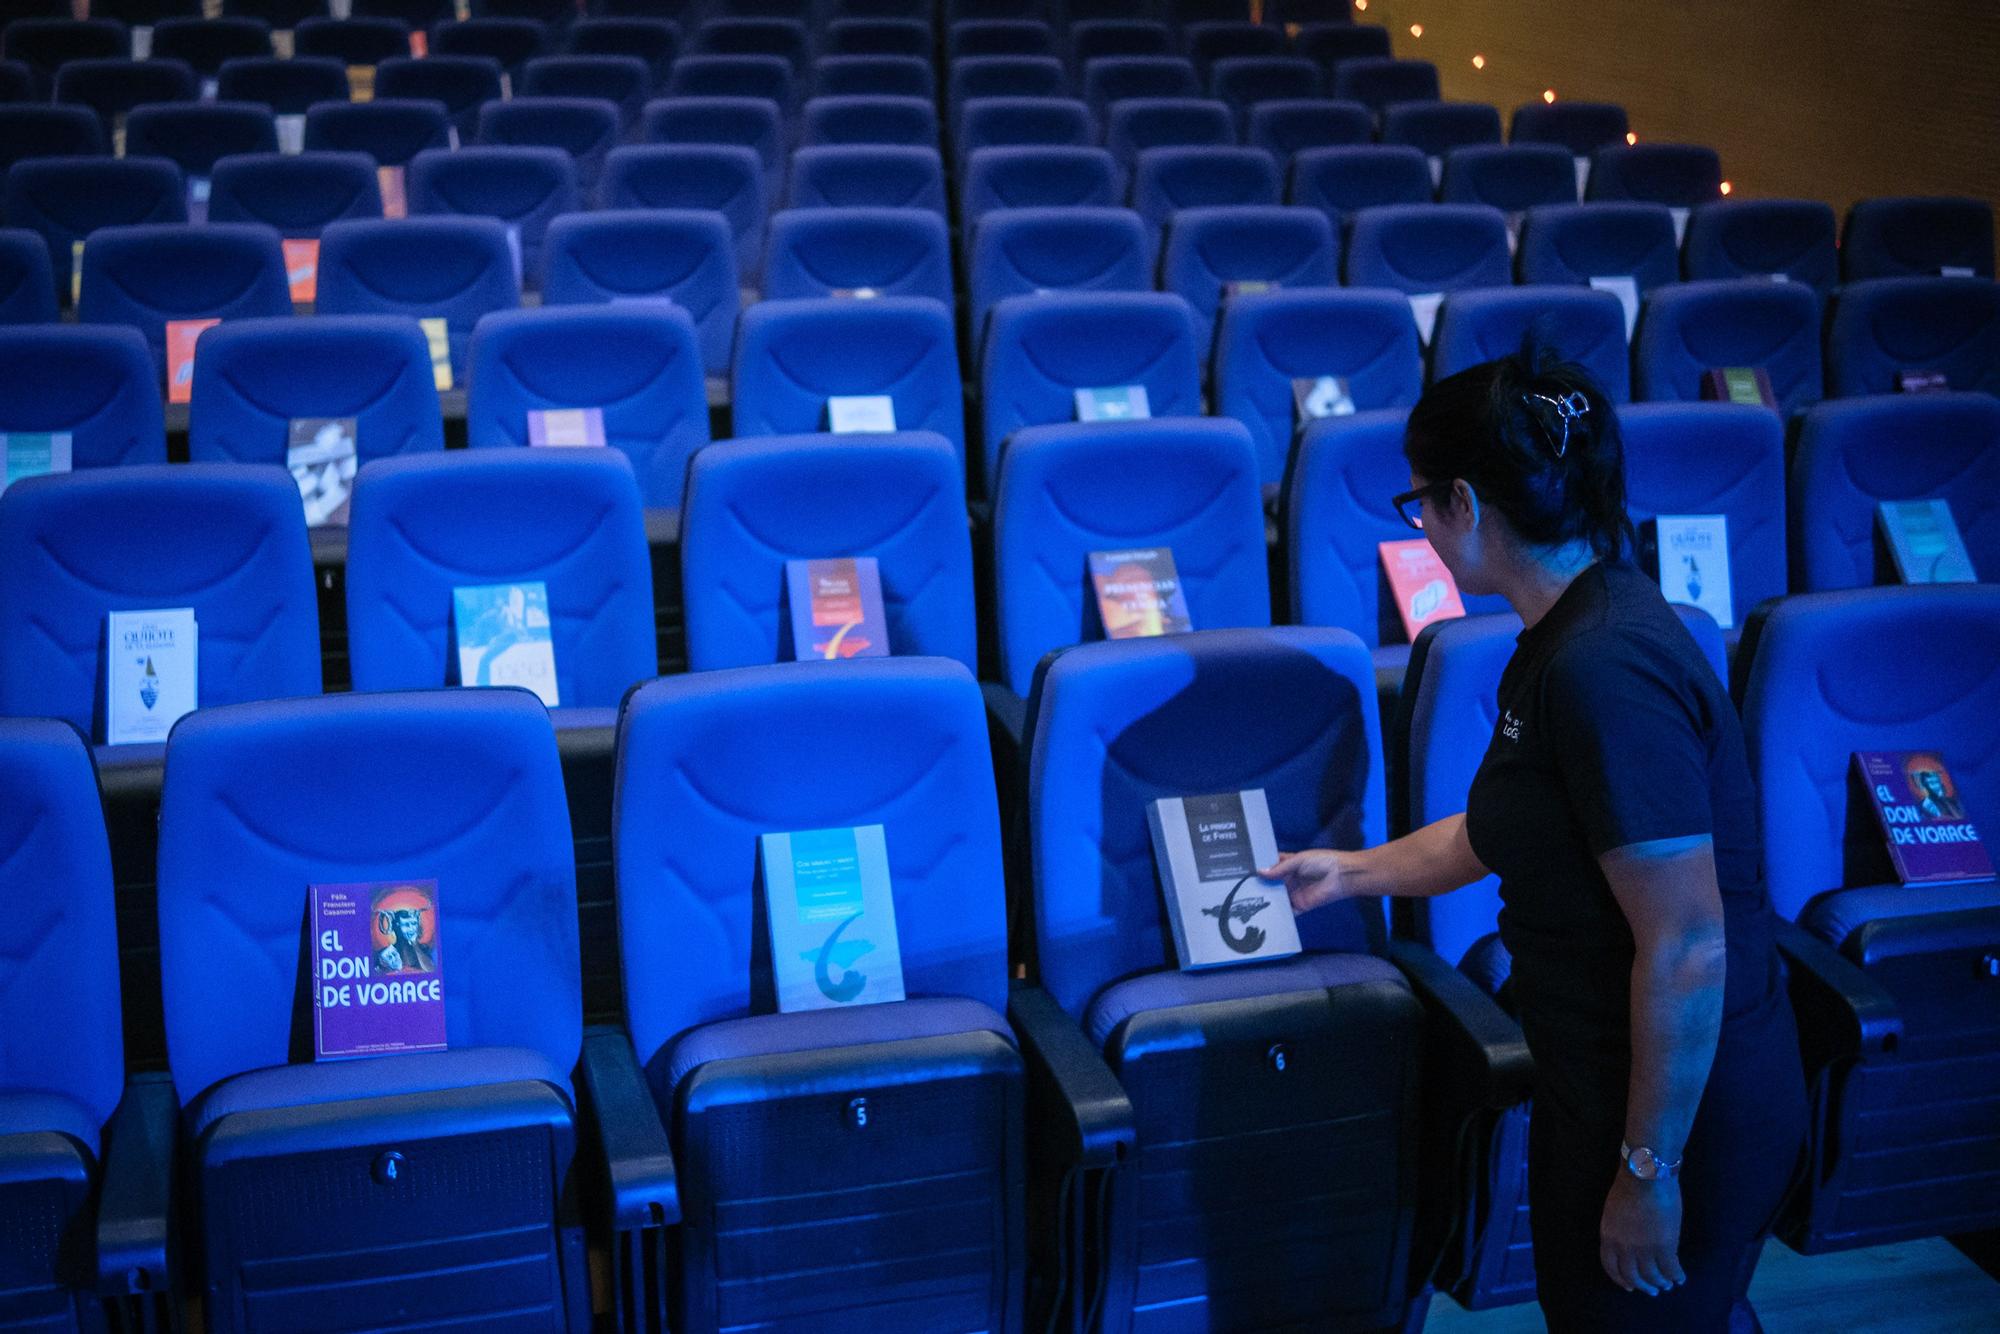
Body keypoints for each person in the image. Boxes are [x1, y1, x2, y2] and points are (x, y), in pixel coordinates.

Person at [1263, 346, 1807, 1332]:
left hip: (1675, 1104)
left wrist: (1648, 1169)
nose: (1419, 525)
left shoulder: (1602, 669)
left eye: (1419, 502)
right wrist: (1347, 871)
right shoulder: (1560, 632)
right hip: (1609, 1082)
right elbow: (1502, 829)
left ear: (1464, 504)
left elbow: (1683, 947)